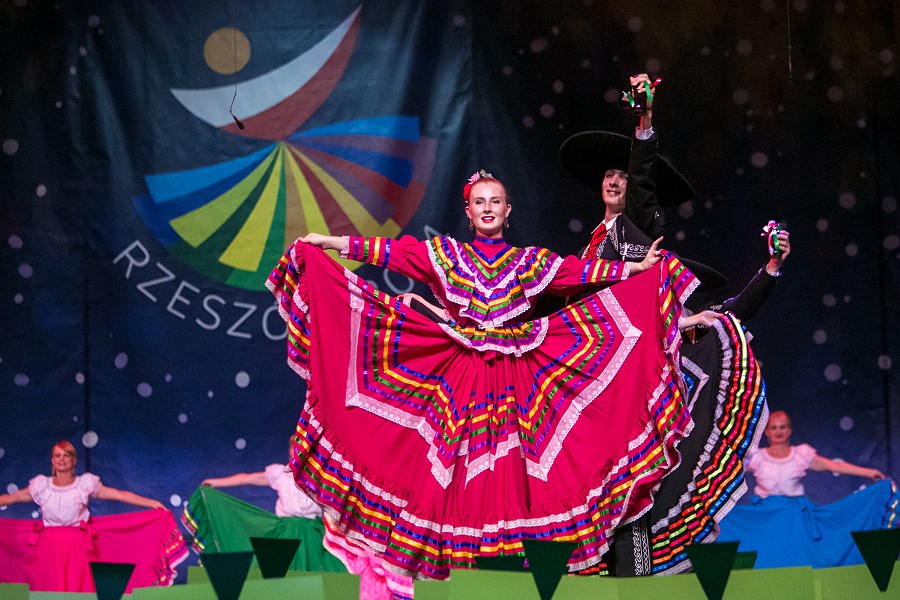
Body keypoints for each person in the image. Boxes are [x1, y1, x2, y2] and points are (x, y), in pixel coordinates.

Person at [266, 170, 699, 598]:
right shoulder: (447, 254)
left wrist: (636, 267)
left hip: (518, 379)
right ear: (469, 212)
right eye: (480, 202)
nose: (488, 208)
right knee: (450, 476)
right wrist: (329, 243)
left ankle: (514, 578)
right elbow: (392, 252)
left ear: (508, 211)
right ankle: (463, 580)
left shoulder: (530, 262)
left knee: (519, 476)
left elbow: (579, 273)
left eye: (495, 202)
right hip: (459, 378)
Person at [647, 226, 791, 575]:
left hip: (678, 447)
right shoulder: (634, 325)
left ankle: (673, 577)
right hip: (631, 448)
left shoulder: (695, 331)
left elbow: (735, 313)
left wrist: (772, 265)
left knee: (674, 515)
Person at [715, 411, 896, 569]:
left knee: (800, 557)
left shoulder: (801, 454)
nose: (778, 431)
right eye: (774, 428)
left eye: (783, 427)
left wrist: (868, 472)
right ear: (767, 431)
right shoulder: (757, 457)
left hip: (794, 516)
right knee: (726, 521)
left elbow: (834, 466)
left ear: (789, 430)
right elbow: (728, 468)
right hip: (766, 516)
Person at [0, 440, 186, 592]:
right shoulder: (42, 486)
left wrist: (150, 503)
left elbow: (119, 494)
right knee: (49, 588)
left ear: (74, 460)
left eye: (66, 455)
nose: (62, 459)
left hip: (77, 547)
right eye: (58, 455)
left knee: (78, 588)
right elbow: (10, 498)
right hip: (48, 547)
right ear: (52, 461)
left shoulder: (84, 485)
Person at [180, 440, 345, 574]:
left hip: (311, 533)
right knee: (277, 574)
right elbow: (247, 478)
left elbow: (339, 500)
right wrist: (216, 483)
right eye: (295, 447)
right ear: (290, 451)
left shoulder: (320, 478)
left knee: (314, 572)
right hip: (284, 532)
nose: (299, 451)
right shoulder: (281, 474)